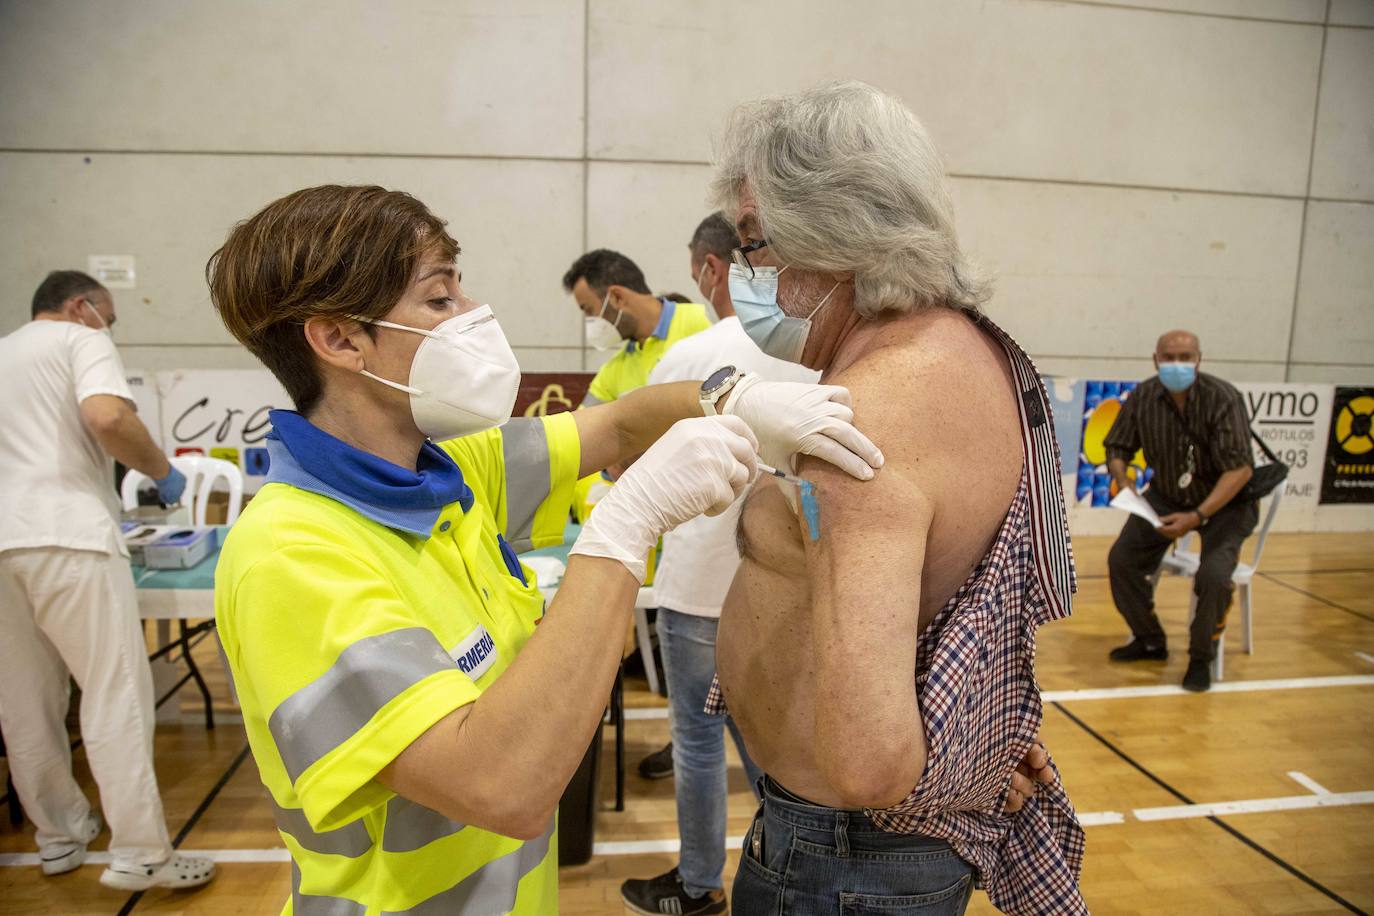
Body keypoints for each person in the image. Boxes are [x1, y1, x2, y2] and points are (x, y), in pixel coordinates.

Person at [206, 184, 882, 914]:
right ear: (340, 339)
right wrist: (624, 526)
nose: (472, 318)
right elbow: (503, 785)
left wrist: (733, 399)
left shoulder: (450, 472)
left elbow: (620, 426)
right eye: (439, 301)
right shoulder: (294, 555)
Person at [706, 83, 1087, 915]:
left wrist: (965, 772)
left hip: (846, 858)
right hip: (861, 853)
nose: (747, 275)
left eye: (755, 243)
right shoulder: (961, 349)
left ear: (829, 231)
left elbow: (870, 764)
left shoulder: (866, 417)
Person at [620, 213, 838, 916]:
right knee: (774, 747)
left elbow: (634, 459)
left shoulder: (691, 357)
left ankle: (697, 882)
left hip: (697, 588)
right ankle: (789, 878)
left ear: (715, 270)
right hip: (787, 587)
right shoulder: (822, 352)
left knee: (697, 740)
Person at [0, 272, 215, 891]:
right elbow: (106, 415)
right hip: (68, 535)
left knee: (25, 704)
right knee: (113, 692)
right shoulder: (79, 340)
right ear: (80, 306)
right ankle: (142, 854)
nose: (110, 329)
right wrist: (161, 471)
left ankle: (60, 836)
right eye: (110, 317)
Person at [563, 248, 715, 780]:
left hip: (719, 531)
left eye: (591, 310)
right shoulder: (619, 366)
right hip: (669, 545)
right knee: (689, 683)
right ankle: (686, 742)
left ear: (618, 296)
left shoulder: (705, 329)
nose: (592, 324)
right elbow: (583, 434)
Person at [1103, 330, 1256, 693]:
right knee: (1122, 560)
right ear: (1155, 360)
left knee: (1214, 576)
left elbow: (1241, 470)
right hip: (1166, 497)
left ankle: (1201, 657)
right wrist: (1122, 476)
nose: (1177, 364)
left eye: (1185, 357)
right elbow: (1116, 446)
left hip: (1225, 504)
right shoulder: (1144, 396)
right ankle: (1150, 640)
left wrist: (1198, 516)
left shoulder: (1223, 398)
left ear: (1199, 359)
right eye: (1169, 357)